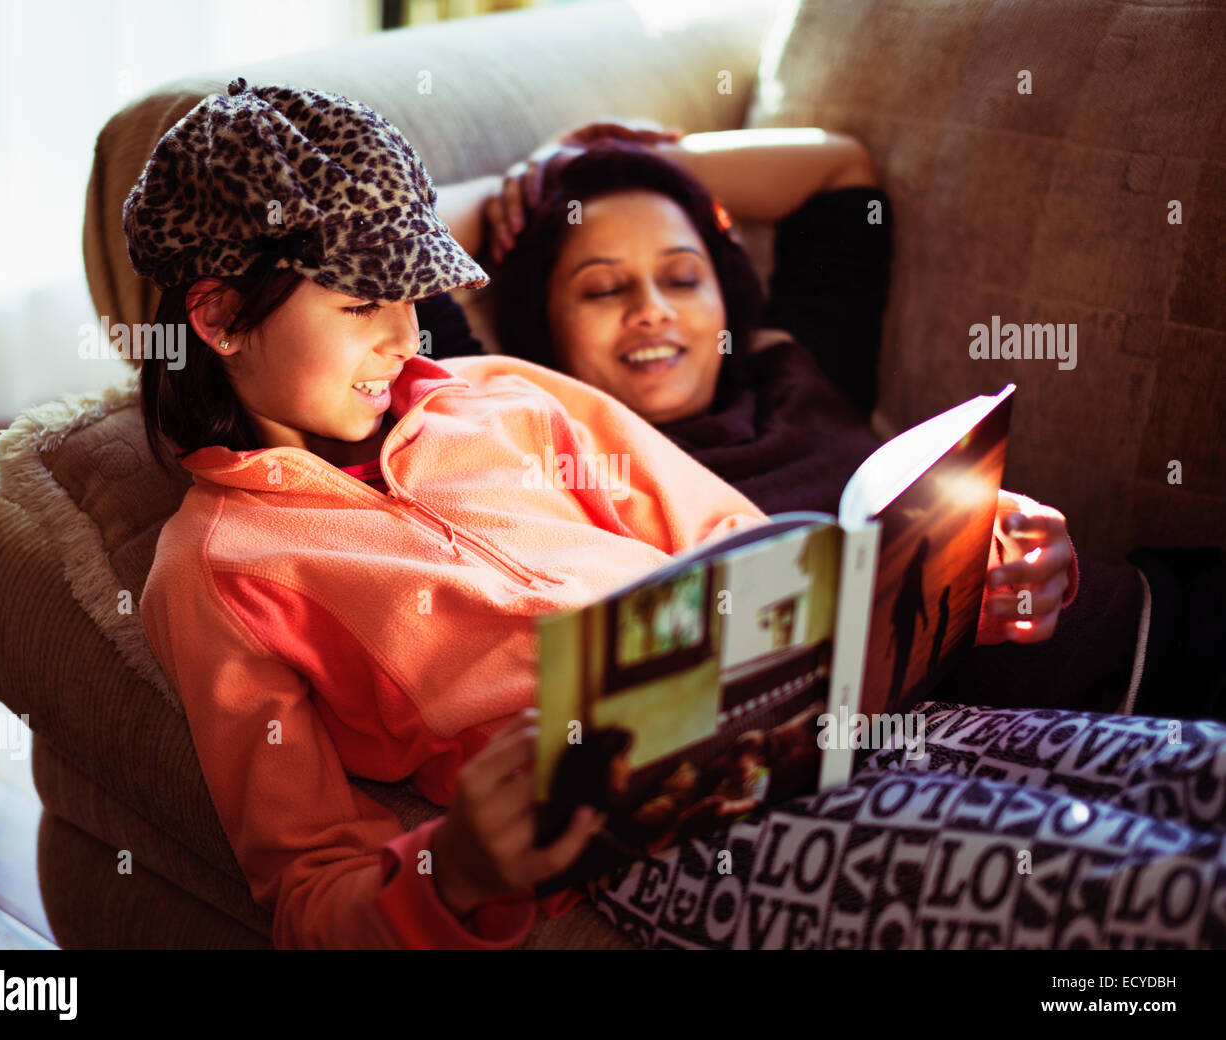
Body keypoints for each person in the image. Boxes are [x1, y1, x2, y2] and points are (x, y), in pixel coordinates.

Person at [127, 81, 779, 949]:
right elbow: (310, 888)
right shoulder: (217, 571)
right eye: (362, 304)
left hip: (788, 718)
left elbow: (737, 542)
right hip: (674, 825)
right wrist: (460, 872)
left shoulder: (509, 395)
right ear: (218, 319)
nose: (405, 339)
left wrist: (957, 547)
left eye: (412, 297)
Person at [426, 124, 1224, 721]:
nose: (653, 311)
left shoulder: (791, 363)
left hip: (1161, 627)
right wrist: (520, 188)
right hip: (1022, 742)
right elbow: (397, 240)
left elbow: (840, 168)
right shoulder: (541, 439)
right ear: (541, 332)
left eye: (683, 276)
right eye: (602, 290)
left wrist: (620, 167)